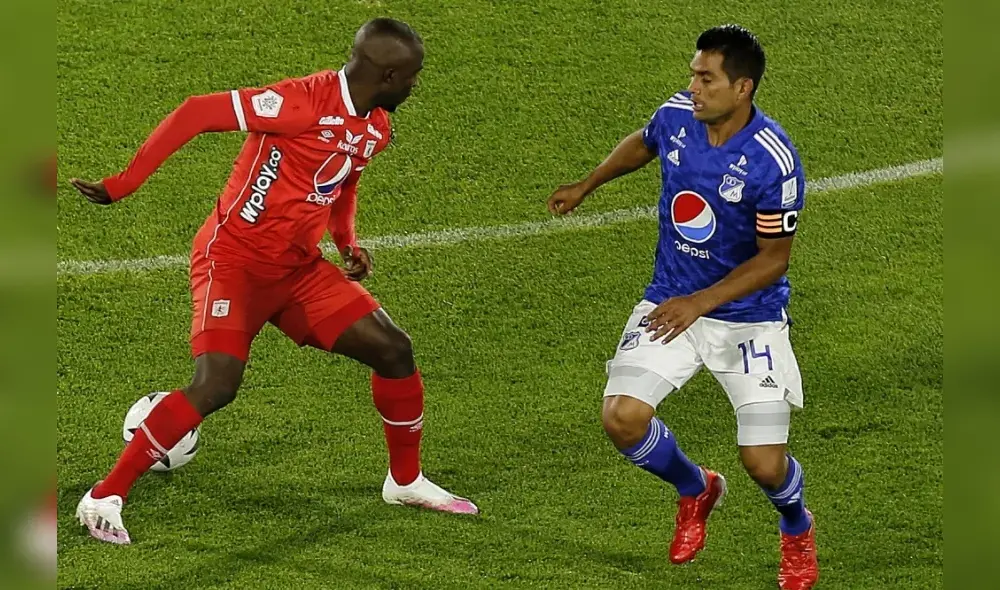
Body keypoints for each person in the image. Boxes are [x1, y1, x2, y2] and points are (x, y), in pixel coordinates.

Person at [72, 17, 478, 546]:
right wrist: (124, 183)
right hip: (233, 264)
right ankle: (104, 495)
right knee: (217, 384)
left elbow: (343, 176)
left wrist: (346, 238)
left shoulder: (375, 125)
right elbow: (197, 112)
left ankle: (404, 482)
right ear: (389, 74)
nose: (415, 86)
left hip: (298, 271)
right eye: (412, 77)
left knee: (393, 350)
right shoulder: (300, 102)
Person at [547, 25, 818, 590]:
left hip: (749, 320)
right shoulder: (677, 115)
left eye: (706, 78)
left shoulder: (774, 160)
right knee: (621, 417)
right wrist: (587, 183)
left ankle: (796, 526)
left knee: (765, 465)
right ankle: (696, 488)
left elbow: (774, 259)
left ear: (742, 88)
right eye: (693, 74)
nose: (693, 86)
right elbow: (644, 141)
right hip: (673, 302)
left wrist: (701, 302)